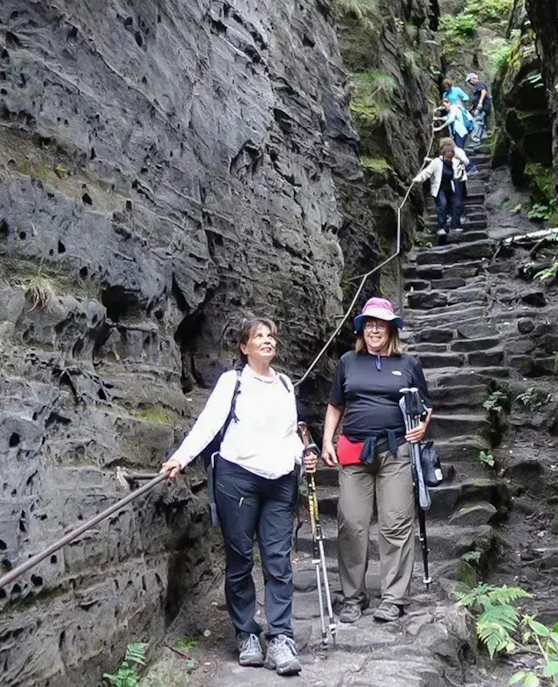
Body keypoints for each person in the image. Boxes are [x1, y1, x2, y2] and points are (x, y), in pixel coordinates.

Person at [161, 317, 317, 676]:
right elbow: (209, 424)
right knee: (240, 557)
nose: (267, 341)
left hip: (279, 482)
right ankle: (247, 633)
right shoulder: (233, 382)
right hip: (237, 479)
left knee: (278, 560)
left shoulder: (284, 384)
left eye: (271, 336)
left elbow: (289, 434)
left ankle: (280, 637)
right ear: (244, 347)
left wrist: (303, 454)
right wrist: (180, 458)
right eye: (258, 336)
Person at [320, 298, 433, 624]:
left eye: (380, 323)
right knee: (352, 524)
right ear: (361, 329)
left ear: (391, 329)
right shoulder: (348, 361)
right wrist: (328, 440)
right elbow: (335, 405)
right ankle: (353, 597)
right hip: (354, 450)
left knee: (396, 522)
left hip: (395, 451)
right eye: (369, 323)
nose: (373, 328)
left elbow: (426, 405)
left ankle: (394, 598)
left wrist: (421, 429)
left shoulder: (408, 364)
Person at [413, 144, 467, 237]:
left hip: (450, 188)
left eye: (451, 157)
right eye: (447, 157)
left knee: (457, 204)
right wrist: (418, 179)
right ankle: (440, 227)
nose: (449, 159)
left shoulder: (454, 162)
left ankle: (454, 226)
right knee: (442, 205)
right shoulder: (436, 162)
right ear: (443, 155)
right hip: (440, 189)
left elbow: (459, 172)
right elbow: (427, 172)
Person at [465, 73, 491, 145]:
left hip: (482, 107)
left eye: (469, 80)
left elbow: (483, 91)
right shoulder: (477, 85)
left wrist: (480, 103)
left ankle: (475, 140)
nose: (470, 83)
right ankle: (483, 138)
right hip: (480, 107)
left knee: (476, 121)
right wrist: (472, 107)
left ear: (473, 79)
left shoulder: (479, 83)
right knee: (481, 122)